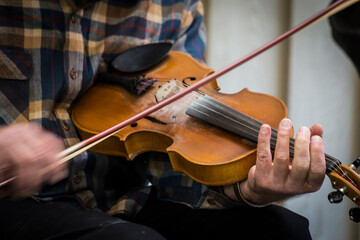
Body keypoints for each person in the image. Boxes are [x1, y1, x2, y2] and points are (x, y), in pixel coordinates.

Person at [0, 0, 325, 239]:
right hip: (17, 204)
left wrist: (245, 190)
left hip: (120, 201)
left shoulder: (175, 7)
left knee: (282, 232)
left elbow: (171, 152)